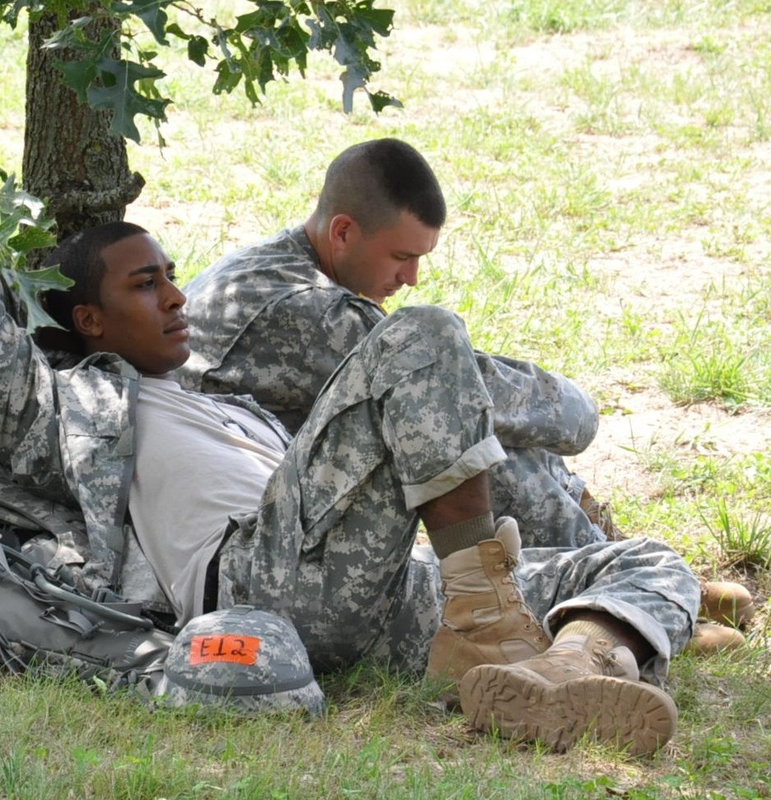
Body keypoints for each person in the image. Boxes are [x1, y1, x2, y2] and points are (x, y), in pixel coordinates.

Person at [0, 220, 699, 756]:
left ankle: (561, 672)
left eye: (173, 277)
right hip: (258, 585)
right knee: (421, 332)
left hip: (371, 588)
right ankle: (492, 621)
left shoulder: (222, 399)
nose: (177, 298)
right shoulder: (67, 411)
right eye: (146, 286)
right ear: (90, 321)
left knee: (650, 559)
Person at [178, 138, 753, 653]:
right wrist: (577, 409)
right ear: (344, 231)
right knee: (450, 418)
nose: (411, 279)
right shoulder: (291, 309)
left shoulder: (298, 271)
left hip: (302, 493)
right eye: (403, 257)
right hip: (276, 540)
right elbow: (454, 388)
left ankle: (612, 560)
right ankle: (611, 582)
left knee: (472, 423)